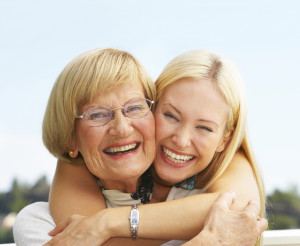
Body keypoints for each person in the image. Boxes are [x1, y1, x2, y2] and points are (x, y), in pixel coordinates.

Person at [13, 48, 266, 245]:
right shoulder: (41, 223)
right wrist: (209, 241)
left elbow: (241, 206)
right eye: (97, 115)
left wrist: (107, 223)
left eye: (133, 108)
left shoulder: (211, 201)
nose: (181, 139)